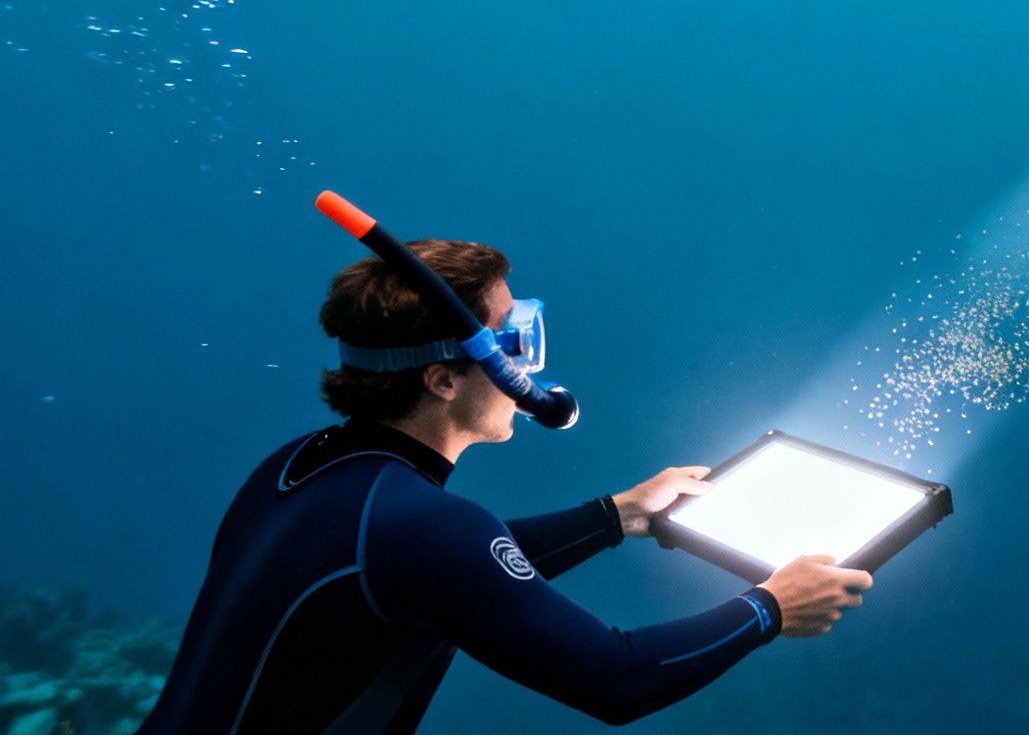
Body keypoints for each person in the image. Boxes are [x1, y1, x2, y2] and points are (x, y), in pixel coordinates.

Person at [140, 238, 873, 732]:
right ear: (444, 376)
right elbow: (616, 681)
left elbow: (442, 574)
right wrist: (770, 607)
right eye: (514, 340)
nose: (531, 366)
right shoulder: (418, 529)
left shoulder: (302, 466)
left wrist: (616, 515)